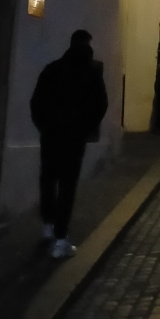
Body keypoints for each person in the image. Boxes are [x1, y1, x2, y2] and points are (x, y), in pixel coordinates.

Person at [30, 29, 108, 259]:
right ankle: (61, 238)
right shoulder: (91, 72)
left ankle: (48, 225)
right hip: (74, 138)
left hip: (51, 135)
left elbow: (36, 103)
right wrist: (85, 127)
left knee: (48, 180)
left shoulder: (52, 69)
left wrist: (45, 126)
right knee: (67, 186)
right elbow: (100, 104)